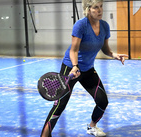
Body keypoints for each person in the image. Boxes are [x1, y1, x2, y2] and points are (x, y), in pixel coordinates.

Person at [40, 0, 128, 136]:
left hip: (88, 69)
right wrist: (74, 66)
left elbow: (105, 48)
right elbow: (73, 50)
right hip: (70, 68)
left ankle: (92, 127)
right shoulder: (81, 25)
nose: (99, 10)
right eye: (95, 8)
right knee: (60, 105)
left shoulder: (104, 26)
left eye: (101, 6)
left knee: (102, 101)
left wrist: (113, 55)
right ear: (88, 9)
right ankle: (44, 135)